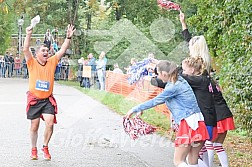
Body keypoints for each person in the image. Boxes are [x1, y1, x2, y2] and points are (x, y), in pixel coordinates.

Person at [126, 60, 209, 167]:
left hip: (188, 124)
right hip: (199, 122)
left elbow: (156, 101)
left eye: (159, 74)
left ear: (164, 74)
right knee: (193, 160)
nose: (158, 77)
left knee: (178, 161)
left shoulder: (172, 87)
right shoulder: (180, 80)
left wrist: (135, 109)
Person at [23, 23, 75, 160]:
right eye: (43, 51)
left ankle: (45, 147)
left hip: (47, 100)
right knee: (34, 126)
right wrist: (28, 34)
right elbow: (25, 49)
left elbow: (63, 49)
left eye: (47, 50)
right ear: (37, 54)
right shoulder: (32, 63)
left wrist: (68, 37)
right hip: (34, 99)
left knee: (50, 123)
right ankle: (33, 149)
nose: (46, 52)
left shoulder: (52, 61)